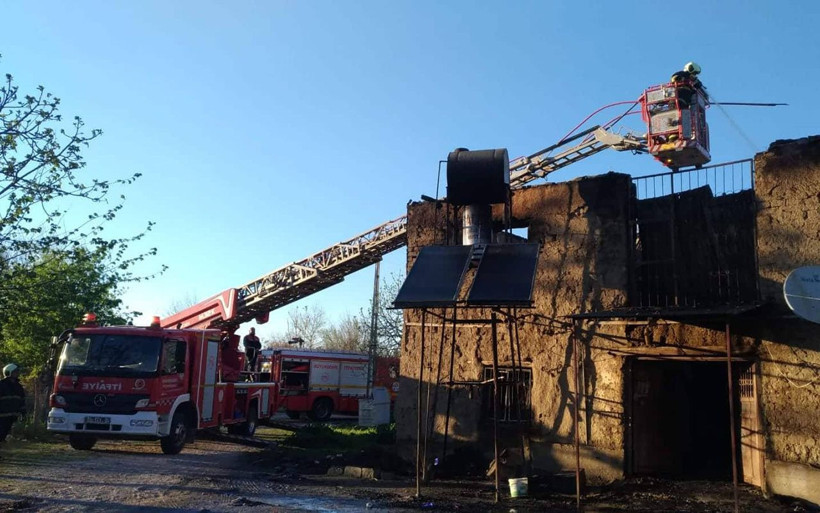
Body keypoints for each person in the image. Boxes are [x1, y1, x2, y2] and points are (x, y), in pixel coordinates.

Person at [0, 363, 26, 443]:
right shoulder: (1, 385)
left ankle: (2, 441)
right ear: (9, 372)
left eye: (17, 372)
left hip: (13, 414)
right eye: (15, 372)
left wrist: (23, 412)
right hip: (2, 414)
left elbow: (22, 400)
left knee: (7, 429)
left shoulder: (18, 386)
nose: (17, 374)